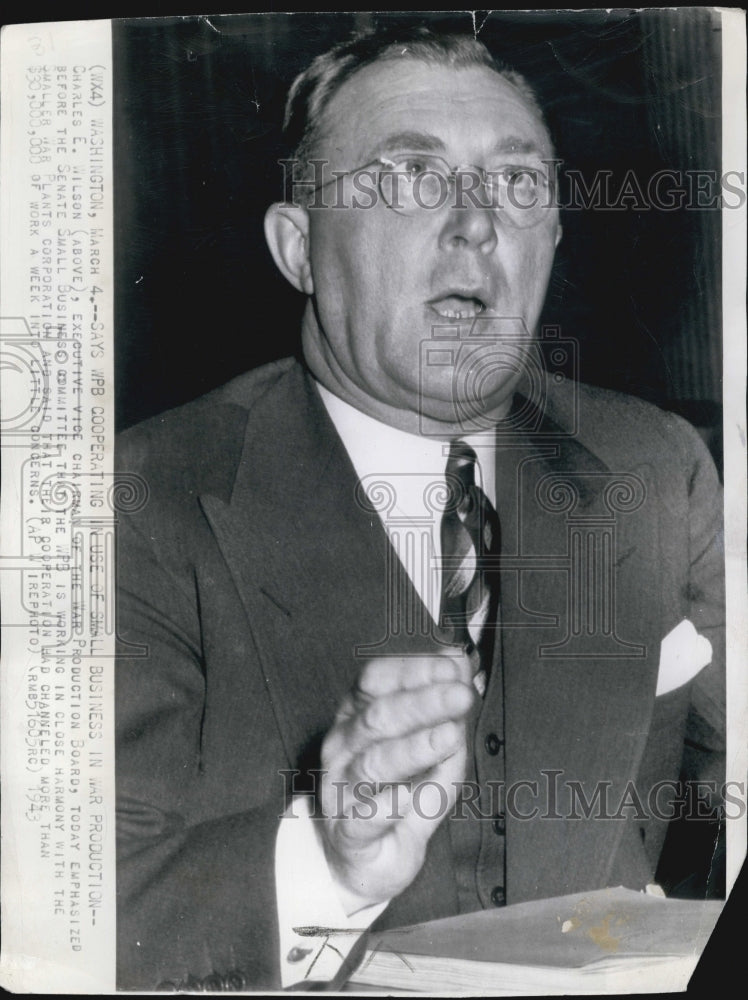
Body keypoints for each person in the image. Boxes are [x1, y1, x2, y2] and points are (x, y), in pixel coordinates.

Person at [115, 25, 725, 991]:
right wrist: (325, 857)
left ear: (554, 238)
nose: (478, 221)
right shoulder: (135, 505)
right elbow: (66, 911)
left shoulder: (657, 464)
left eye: (519, 184)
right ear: (299, 248)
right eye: (411, 176)